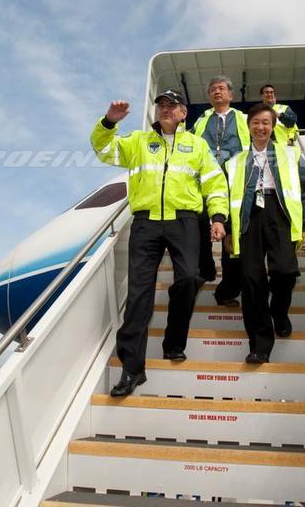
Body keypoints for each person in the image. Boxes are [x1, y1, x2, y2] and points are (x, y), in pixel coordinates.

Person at [92, 90, 228, 396]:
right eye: (161, 105)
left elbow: (215, 183)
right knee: (138, 294)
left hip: (185, 221)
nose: (165, 109)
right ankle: (132, 369)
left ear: (183, 113)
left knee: (189, 278)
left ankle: (174, 343)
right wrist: (109, 122)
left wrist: (218, 217)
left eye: (172, 105)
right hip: (146, 223)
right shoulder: (138, 142)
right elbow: (103, 150)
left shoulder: (197, 145)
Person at [223, 103, 305, 364]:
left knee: (285, 272)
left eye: (266, 122)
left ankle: (279, 311)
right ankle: (260, 345)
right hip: (248, 217)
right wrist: (229, 231)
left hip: (280, 214)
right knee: (251, 280)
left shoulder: (291, 154)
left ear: (273, 126)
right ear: (248, 127)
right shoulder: (234, 162)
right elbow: (226, 197)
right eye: (256, 122)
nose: (260, 127)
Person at [191, 76, 250, 306]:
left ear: (230, 95)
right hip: (203, 182)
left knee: (232, 240)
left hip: (235, 183)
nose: (217, 92)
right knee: (196, 231)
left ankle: (227, 291)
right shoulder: (200, 121)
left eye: (222, 88)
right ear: (208, 96)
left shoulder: (244, 119)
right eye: (213, 89)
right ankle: (206, 269)